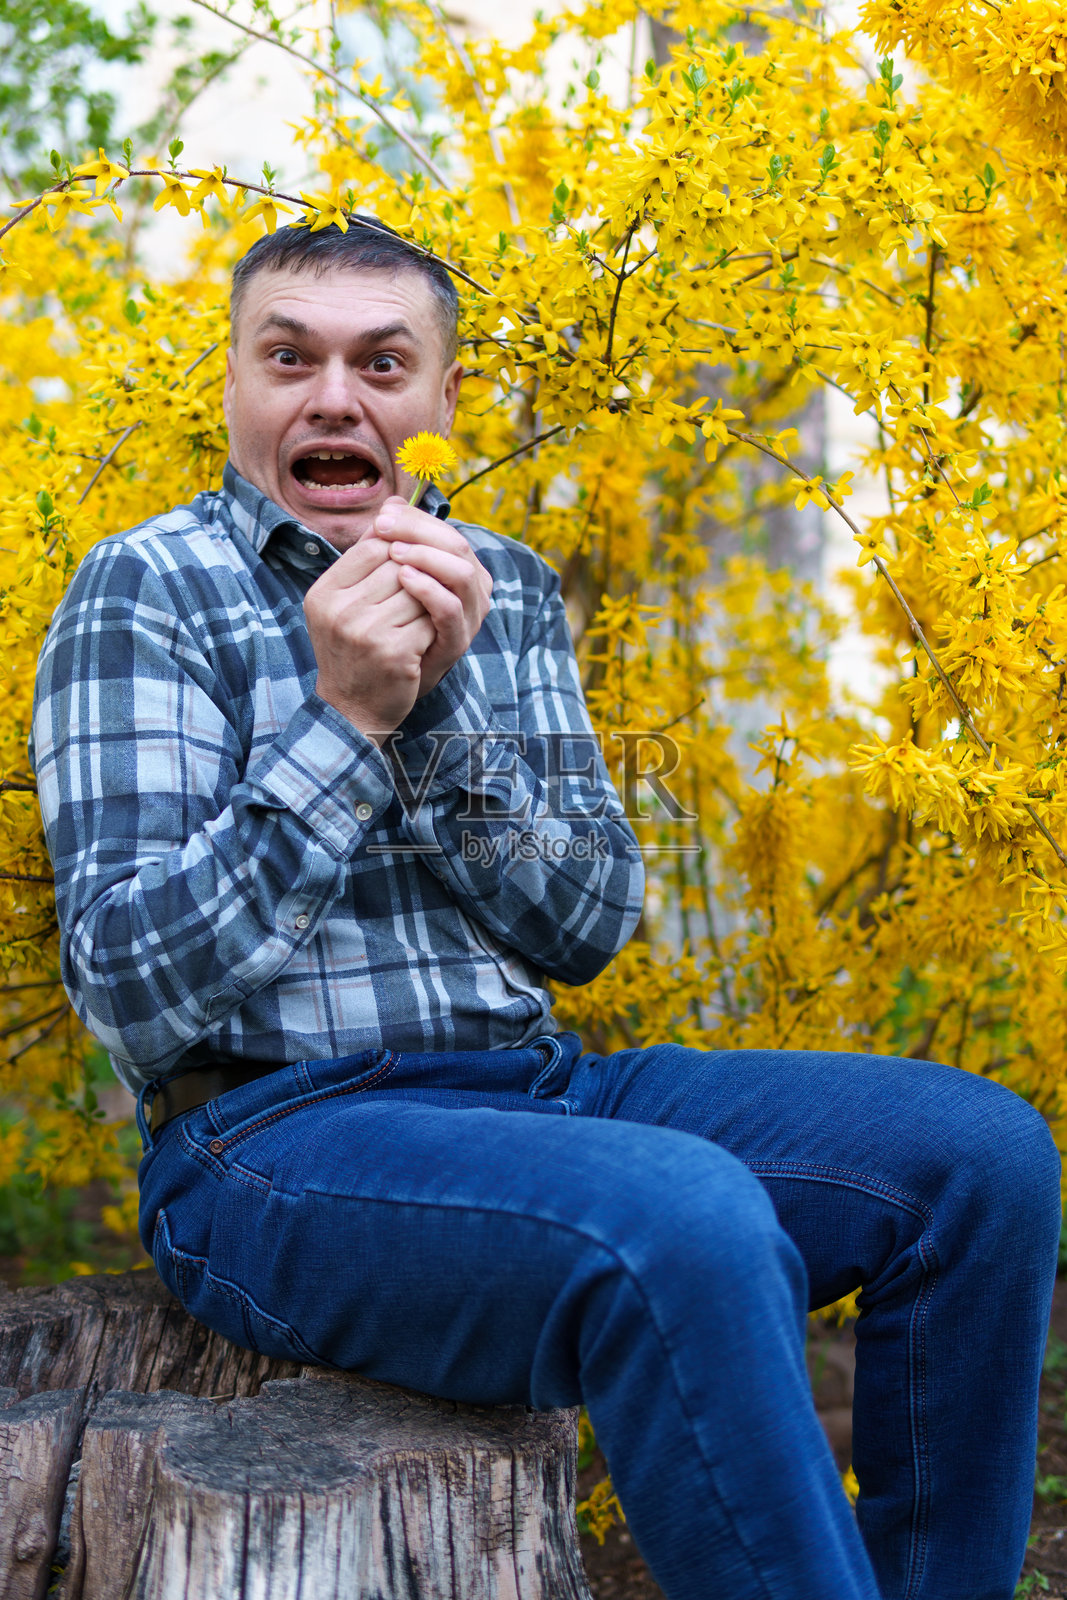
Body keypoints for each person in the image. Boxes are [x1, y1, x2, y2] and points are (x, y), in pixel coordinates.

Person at [31, 217, 1061, 1600]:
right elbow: (132, 987)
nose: (334, 396)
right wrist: (345, 721)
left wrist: (444, 705)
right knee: (682, 1220)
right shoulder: (144, 589)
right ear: (235, 387)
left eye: (381, 362)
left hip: (541, 1095)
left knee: (978, 1158)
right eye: (291, 358)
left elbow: (587, 922)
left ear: (442, 403)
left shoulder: (500, 589)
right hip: (264, 1138)